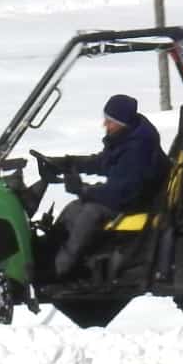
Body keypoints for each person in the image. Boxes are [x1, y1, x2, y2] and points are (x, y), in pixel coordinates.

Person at [33, 94, 167, 279]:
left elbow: (122, 193)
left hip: (138, 200)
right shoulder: (126, 136)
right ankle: (48, 253)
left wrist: (84, 190)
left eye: (110, 121)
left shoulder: (138, 148)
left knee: (89, 214)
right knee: (73, 209)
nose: (105, 125)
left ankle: (59, 269)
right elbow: (104, 162)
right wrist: (69, 163)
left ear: (123, 122)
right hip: (128, 193)